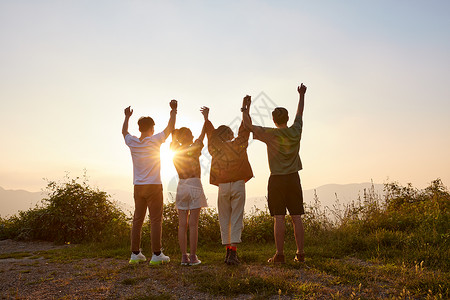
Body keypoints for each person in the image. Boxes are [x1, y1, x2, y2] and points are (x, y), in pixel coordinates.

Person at [242, 84, 307, 263]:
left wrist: (246, 107)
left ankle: (279, 254)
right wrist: (301, 95)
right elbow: (300, 113)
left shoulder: (269, 134)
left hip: (277, 179)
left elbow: (247, 125)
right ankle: (300, 253)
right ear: (287, 118)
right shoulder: (296, 130)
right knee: (296, 217)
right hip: (294, 178)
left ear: (273, 119)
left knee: (278, 217)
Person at [122, 100, 177, 265]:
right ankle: (156, 254)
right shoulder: (155, 140)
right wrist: (173, 110)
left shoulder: (132, 142)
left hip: (138, 186)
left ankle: (135, 254)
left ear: (139, 128)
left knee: (137, 220)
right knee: (155, 220)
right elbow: (170, 128)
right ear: (152, 128)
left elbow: (124, 131)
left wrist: (126, 117)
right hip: (153, 185)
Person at [204, 98, 253, 265]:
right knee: (236, 218)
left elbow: (210, 134)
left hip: (223, 186)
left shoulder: (214, 149)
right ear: (230, 135)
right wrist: (245, 109)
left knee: (224, 218)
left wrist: (206, 118)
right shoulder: (238, 144)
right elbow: (245, 129)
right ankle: (233, 253)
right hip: (238, 184)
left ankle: (227, 252)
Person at [170, 107, 209, 266]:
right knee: (193, 225)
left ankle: (183, 257)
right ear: (189, 137)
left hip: (181, 185)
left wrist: (173, 112)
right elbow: (203, 133)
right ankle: (193, 257)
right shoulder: (195, 147)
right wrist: (206, 117)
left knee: (182, 225)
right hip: (194, 184)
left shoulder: (175, 148)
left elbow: (172, 133)